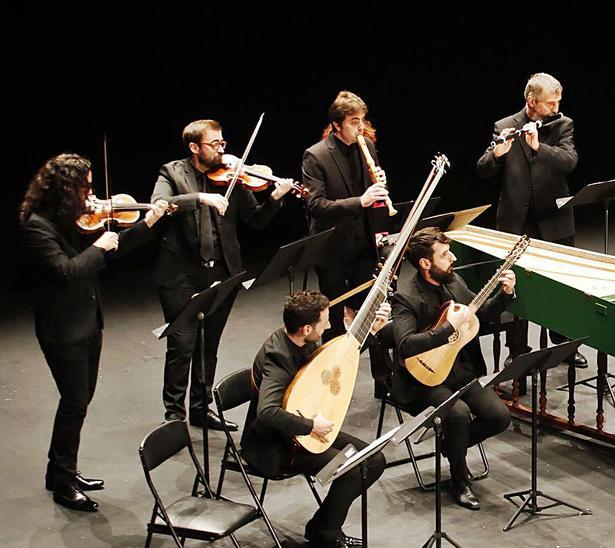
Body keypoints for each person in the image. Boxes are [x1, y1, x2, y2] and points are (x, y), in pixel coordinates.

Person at [20, 153, 170, 511]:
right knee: (74, 403)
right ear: (65, 188)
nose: (92, 195)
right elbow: (65, 272)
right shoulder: (37, 226)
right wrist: (99, 246)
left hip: (89, 320)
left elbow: (111, 254)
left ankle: (61, 471)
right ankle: (62, 482)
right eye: (85, 187)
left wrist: (146, 224)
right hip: (63, 329)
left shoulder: (74, 219)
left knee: (80, 402)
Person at [152, 119, 292, 427]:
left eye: (222, 143)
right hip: (181, 276)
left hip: (222, 273)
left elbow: (255, 219)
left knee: (208, 345)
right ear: (194, 147)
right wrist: (200, 198)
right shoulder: (172, 172)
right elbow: (160, 204)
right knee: (182, 346)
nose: (221, 150)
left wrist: (275, 198)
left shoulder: (232, 176)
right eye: (214, 144)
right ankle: (174, 418)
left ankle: (201, 411)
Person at [241, 291, 390, 547]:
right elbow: (266, 412)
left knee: (373, 459)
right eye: (325, 322)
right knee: (352, 470)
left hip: (302, 430)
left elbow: (337, 361)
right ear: (307, 328)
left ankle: (321, 527)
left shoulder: (301, 338)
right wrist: (311, 425)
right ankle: (326, 536)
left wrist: (372, 332)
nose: (330, 325)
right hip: (276, 445)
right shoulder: (278, 358)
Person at [387, 228, 514, 510]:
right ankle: (459, 481)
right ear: (425, 263)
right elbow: (406, 345)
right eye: (444, 255)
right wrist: (447, 329)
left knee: (500, 416)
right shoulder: (406, 297)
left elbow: (479, 314)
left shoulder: (453, 280)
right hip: (423, 379)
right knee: (457, 415)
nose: (453, 258)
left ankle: (451, 447)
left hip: (459, 370)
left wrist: (506, 295)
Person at [475, 72, 584, 366]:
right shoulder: (505, 126)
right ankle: (518, 351)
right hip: (517, 223)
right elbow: (483, 169)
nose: (556, 107)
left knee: (560, 287)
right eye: (550, 103)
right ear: (531, 101)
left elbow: (569, 161)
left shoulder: (563, 125)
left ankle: (564, 345)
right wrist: (497, 155)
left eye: (558, 101)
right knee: (516, 287)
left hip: (554, 220)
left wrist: (539, 147)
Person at [302, 90, 393, 342]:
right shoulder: (316, 155)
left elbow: (372, 193)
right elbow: (316, 205)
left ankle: (381, 378)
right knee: (332, 320)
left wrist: (380, 185)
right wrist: (360, 201)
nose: (360, 127)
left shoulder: (368, 146)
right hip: (332, 248)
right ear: (336, 124)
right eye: (354, 122)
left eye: (362, 120)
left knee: (371, 316)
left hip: (364, 245)